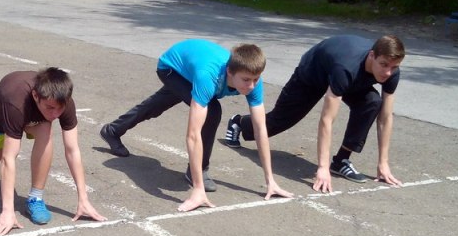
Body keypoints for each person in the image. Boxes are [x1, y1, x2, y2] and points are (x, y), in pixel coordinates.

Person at [98, 39, 293, 212]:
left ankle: (113, 130)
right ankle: (197, 171)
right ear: (229, 72)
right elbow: (193, 134)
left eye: (255, 79)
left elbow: (260, 129)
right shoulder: (207, 76)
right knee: (212, 111)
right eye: (246, 80)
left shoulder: (252, 79)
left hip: (193, 64)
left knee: (159, 103)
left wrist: (271, 181)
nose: (251, 86)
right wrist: (199, 189)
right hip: (171, 67)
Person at [224, 34, 405, 193]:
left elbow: (385, 118)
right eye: (383, 65)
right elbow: (327, 120)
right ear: (372, 56)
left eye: (394, 67)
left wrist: (383, 163)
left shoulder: (391, 73)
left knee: (372, 103)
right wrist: (322, 167)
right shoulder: (346, 68)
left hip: (345, 75)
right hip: (312, 74)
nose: (388, 72)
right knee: (279, 121)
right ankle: (239, 123)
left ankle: (341, 161)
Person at [0, 67, 106, 236]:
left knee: (46, 129)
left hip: (34, 119)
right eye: (50, 107)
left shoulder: (64, 102)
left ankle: (35, 198)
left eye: (59, 108)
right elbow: (9, 158)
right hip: (1, 117)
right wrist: (8, 211)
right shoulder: (15, 104)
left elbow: (72, 150)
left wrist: (83, 199)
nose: (55, 114)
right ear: (35, 96)